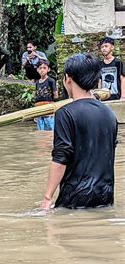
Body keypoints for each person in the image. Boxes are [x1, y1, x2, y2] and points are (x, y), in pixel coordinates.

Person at [40, 53, 118, 210]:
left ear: (68, 78)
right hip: (105, 196)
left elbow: (61, 157)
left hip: (75, 197)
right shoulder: (109, 113)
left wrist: (47, 198)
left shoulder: (65, 113)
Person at [34, 60, 58, 130]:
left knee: (50, 127)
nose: (42, 70)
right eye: (40, 68)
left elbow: (55, 95)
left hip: (49, 107)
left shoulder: (51, 81)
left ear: (48, 69)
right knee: (40, 128)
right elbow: (36, 95)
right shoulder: (37, 82)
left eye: (44, 68)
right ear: (37, 70)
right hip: (39, 107)